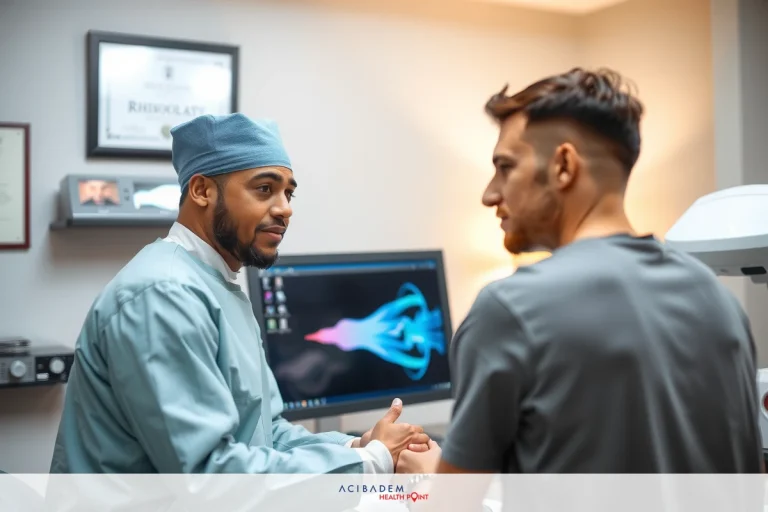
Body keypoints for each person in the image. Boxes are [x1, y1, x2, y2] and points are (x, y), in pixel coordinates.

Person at [397, 68, 763, 477]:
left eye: (505, 167)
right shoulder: (721, 304)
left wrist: (424, 476)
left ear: (564, 166)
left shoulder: (511, 310)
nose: (490, 194)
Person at [50, 113, 430, 474]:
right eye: (264, 189)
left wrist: (355, 449)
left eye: (288, 194)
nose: (284, 209)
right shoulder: (162, 295)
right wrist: (372, 462)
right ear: (201, 190)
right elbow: (209, 472)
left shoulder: (217, 284)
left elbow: (267, 434)